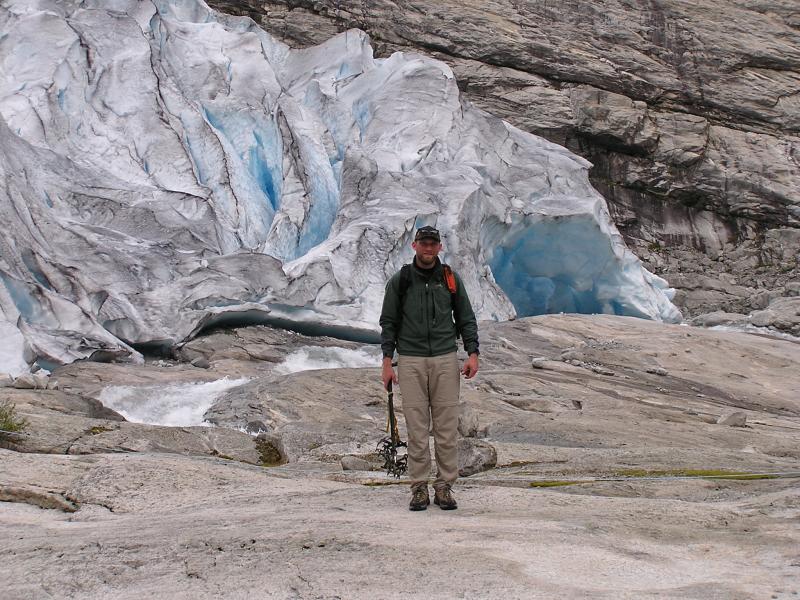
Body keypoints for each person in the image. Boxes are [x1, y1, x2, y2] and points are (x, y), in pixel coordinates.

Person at [379, 225, 479, 511]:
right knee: (417, 428)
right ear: (414, 246)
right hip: (410, 359)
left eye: (432, 243)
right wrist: (387, 362)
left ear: (439, 247)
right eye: (423, 243)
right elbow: (388, 323)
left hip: (445, 359)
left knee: (447, 427)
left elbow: (466, 318)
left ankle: (445, 486)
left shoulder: (449, 279)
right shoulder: (401, 281)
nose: (427, 248)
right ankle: (419, 488)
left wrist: (473, 353)